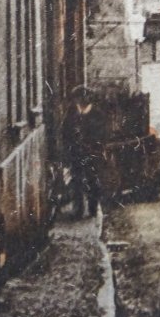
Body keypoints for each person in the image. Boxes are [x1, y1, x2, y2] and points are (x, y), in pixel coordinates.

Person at [62, 85, 106, 219]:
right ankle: (78, 210)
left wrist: (92, 145)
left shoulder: (98, 115)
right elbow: (65, 132)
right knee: (76, 181)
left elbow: (102, 135)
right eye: (78, 99)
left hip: (91, 153)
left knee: (93, 180)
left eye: (83, 98)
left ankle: (93, 208)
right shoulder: (71, 113)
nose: (80, 101)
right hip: (75, 153)